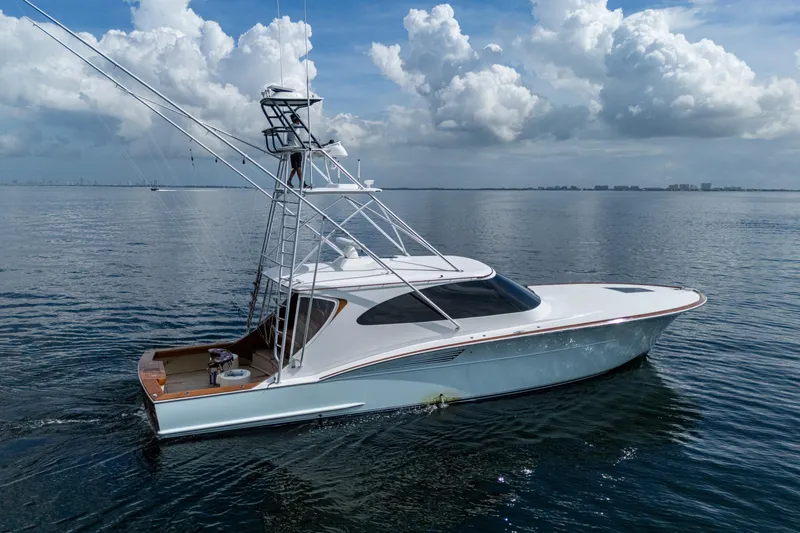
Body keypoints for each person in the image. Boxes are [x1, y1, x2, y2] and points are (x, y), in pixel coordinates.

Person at [287, 115, 310, 188]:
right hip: (296, 149)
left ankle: (289, 181)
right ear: (296, 120)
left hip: (292, 149)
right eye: (298, 119)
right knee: (298, 167)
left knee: (296, 168)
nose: (300, 121)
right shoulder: (296, 127)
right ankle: (302, 183)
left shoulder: (289, 127)